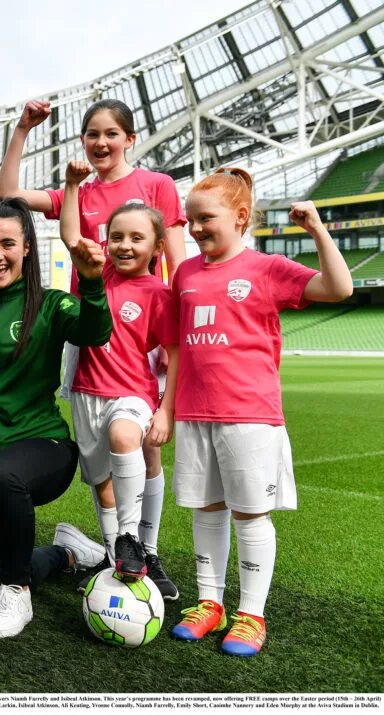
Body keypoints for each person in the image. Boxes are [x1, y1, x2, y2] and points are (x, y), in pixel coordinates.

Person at [151, 168, 352, 657]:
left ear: (241, 218)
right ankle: (209, 604)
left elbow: (340, 288)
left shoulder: (267, 269)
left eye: (206, 218)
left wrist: (317, 230)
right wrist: (168, 408)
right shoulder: (186, 273)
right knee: (206, 510)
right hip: (197, 415)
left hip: (250, 416)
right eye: (191, 220)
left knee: (250, 515)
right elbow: (177, 347)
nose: (196, 229)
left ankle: (252, 614)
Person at [0, 98, 186, 597]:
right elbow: (8, 194)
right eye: (91, 134)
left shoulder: (157, 187)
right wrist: (22, 131)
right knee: (99, 462)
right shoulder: (75, 194)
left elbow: (177, 259)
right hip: (90, 336)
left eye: (110, 133)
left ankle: (148, 550)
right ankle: (116, 554)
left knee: (143, 445)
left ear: (129, 138)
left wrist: (175, 326)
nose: (100, 142)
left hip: (142, 329)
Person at [0, 197, 112, 638]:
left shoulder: (53, 304)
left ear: (28, 247)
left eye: (7, 244)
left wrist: (92, 283)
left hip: (45, 448)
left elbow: (96, 332)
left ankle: (17, 595)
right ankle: (63, 554)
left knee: (3, 478)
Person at [61, 160, 179, 595]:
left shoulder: (159, 294)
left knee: (127, 439)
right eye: (117, 237)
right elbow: (73, 236)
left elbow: (176, 351)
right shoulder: (95, 275)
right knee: (101, 480)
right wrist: (73, 184)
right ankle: (117, 558)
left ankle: (136, 541)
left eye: (137, 238)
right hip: (85, 391)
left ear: (157, 247)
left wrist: (166, 409)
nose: (125, 245)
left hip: (131, 392)